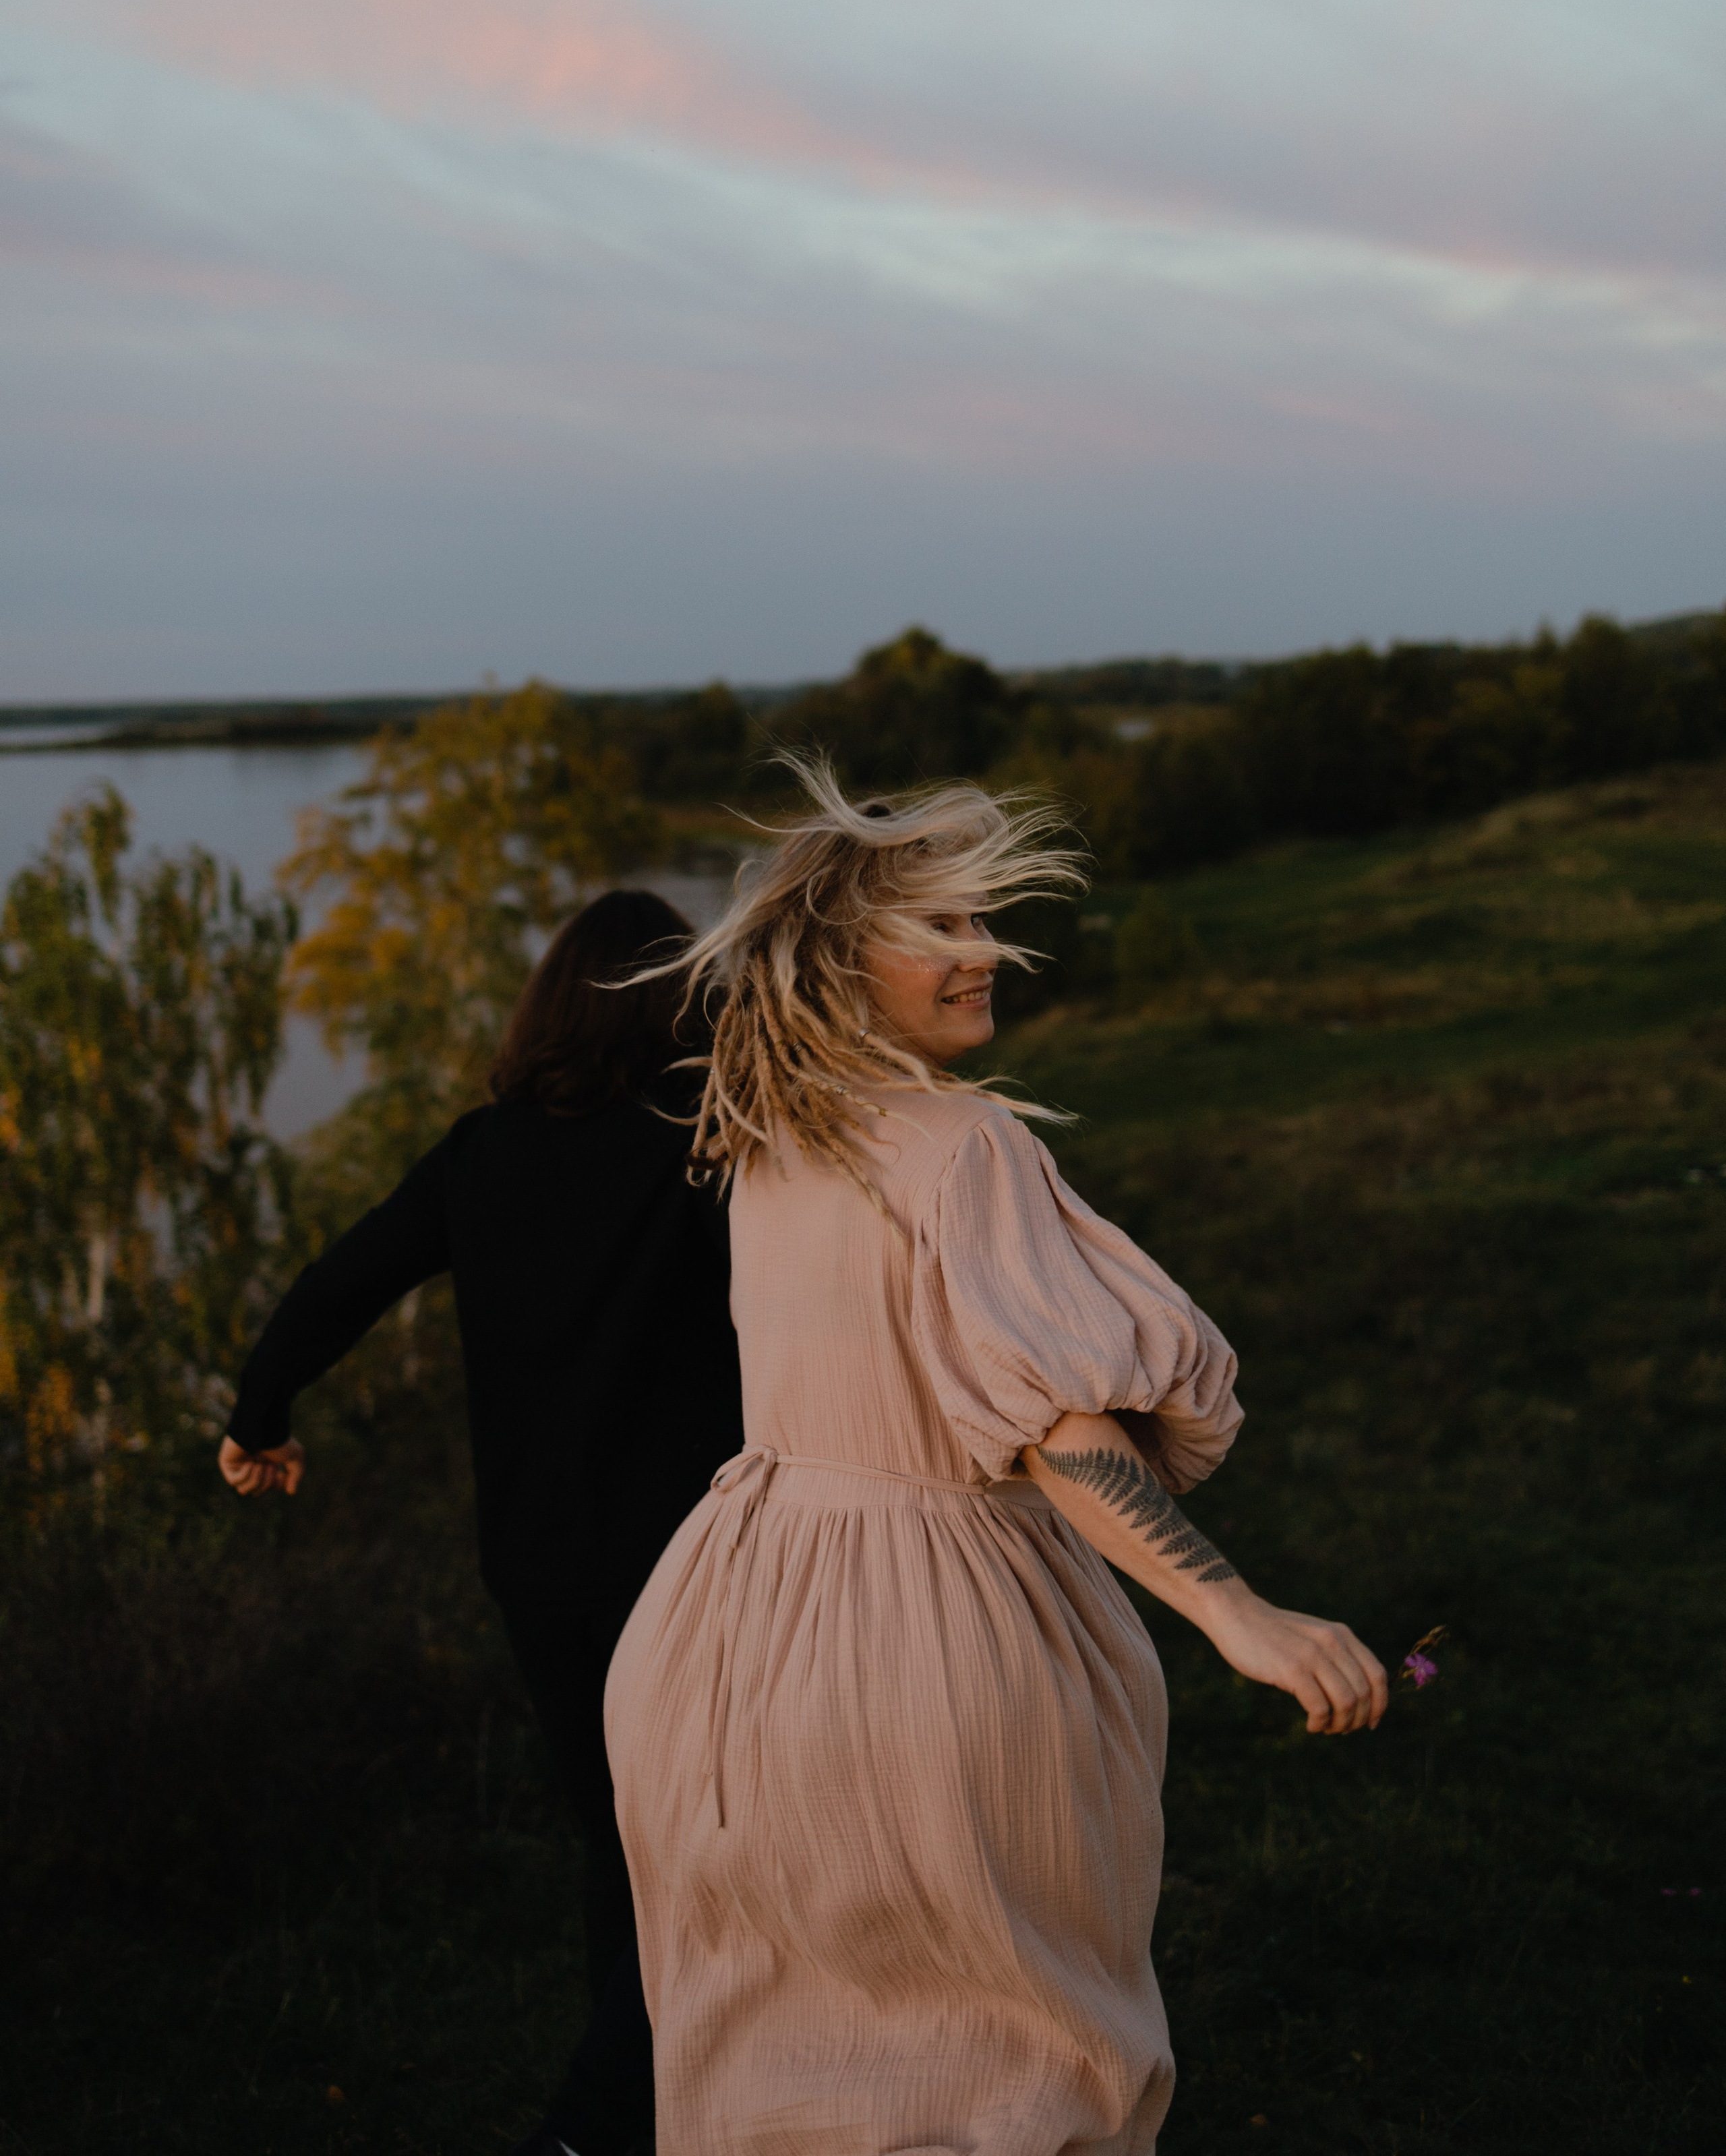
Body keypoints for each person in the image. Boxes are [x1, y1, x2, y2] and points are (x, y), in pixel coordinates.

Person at [605, 769, 1387, 2156]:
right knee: (1013, 2059)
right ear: (840, 966)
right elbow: (1056, 1430)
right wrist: (1234, 1612)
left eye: (982, 922)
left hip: (728, 1639)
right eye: (940, 928)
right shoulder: (964, 1144)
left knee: (782, 2048)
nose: (983, 955)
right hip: (935, 1636)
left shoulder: (773, 1136)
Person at [220, 889, 743, 2156]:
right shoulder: (711, 1143)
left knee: (615, 1834)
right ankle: (604, 2119)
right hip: (698, 1559)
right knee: (698, 1841)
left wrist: (259, 1410)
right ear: (686, 1005)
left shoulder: (482, 1152)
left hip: (541, 1566)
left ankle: (650, 2103)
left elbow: (339, 1280)